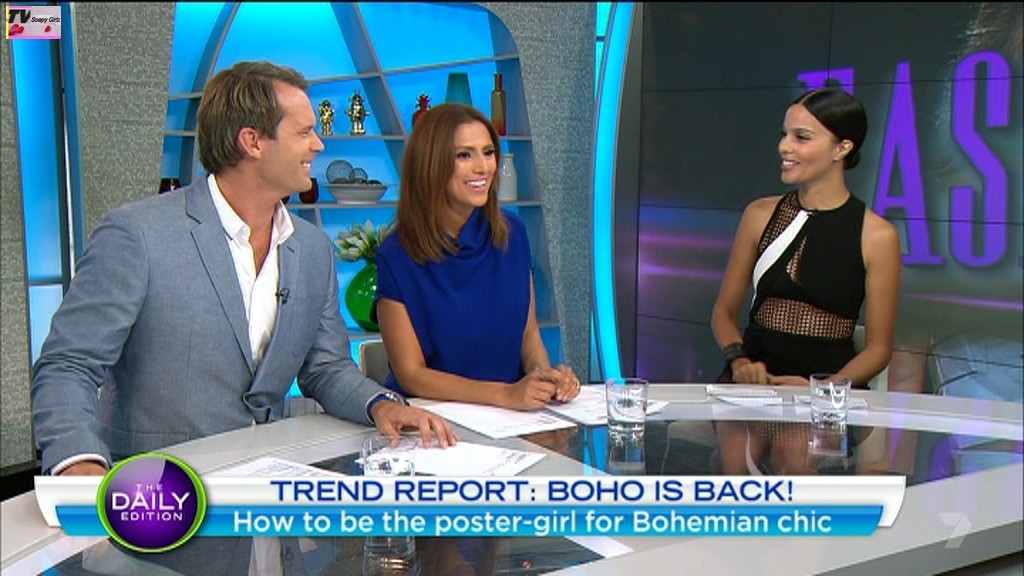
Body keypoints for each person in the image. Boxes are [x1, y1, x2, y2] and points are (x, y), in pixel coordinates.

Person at [30, 60, 458, 481]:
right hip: (160, 491)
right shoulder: (138, 234)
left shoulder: (312, 249)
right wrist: (79, 461)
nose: (318, 145)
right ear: (252, 141)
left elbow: (326, 368)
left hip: (265, 489)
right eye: (304, 132)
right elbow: (68, 364)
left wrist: (381, 405)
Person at [373, 103, 581, 410]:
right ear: (431, 163)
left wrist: (544, 379)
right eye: (464, 155)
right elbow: (411, 374)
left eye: (488, 152)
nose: (483, 167)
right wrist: (504, 394)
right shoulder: (397, 254)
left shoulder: (513, 234)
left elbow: (528, 334)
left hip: (509, 418)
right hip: (433, 418)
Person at [710, 87, 901, 388]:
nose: (784, 147)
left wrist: (822, 389)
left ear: (842, 148)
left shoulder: (877, 236)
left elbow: (878, 350)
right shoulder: (758, 215)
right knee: (728, 424)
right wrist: (739, 361)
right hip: (753, 380)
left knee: (804, 424)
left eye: (801, 137)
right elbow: (724, 312)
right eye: (784, 135)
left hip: (826, 386)